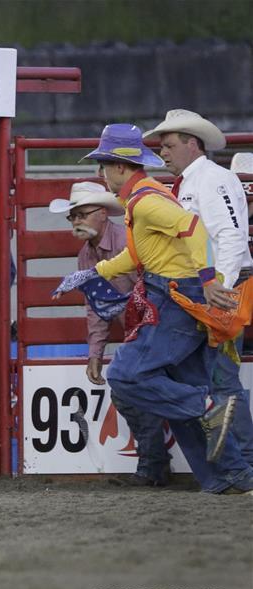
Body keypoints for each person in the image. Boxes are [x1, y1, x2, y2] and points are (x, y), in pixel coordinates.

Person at [77, 123, 252, 494]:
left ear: (119, 167)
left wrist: (212, 281)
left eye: (103, 166)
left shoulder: (154, 197)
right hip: (192, 291)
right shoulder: (156, 193)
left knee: (132, 376)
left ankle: (216, 428)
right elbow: (144, 252)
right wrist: (97, 272)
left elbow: (197, 230)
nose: (100, 174)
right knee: (190, 383)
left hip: (189, 293)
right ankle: (233, 475)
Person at [145, 111, 253, 468]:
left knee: (220, 378)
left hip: (218, 286)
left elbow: (231, 236)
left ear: (192, 144)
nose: (163, 153)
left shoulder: (210, 180)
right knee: (215, 377)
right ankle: (239, 463)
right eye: (161, 147)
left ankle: (245, 462)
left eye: (168, 145)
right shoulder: (198, 181)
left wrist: (220, 288)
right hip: (208, 286)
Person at [50, 182, 169, 487]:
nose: (76, 221)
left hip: (159, 328)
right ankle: (156, 464)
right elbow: (96, 306)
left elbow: (153, 288)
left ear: (102, 213)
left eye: (82, 214)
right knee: (133, 388)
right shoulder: (86, 255)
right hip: (146, 332)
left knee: (129, 386)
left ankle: (154, 465)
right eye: (73, 216)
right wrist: (95, 354)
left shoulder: (128, 242)